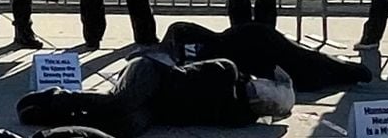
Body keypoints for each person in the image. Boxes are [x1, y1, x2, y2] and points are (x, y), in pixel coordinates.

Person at [16, 55, 295, 138]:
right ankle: (58, 98)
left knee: (124, 128)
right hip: (151, 74)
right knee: (121, 102)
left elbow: (229, 114)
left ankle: (56, 118)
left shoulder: (239, 116)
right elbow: (219, 86)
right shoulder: (229, 70)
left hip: (157, 108)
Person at [156, 21, 372, 92]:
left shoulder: (180, 38)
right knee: (305, 67)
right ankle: (349, 70)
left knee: (305, 68)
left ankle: (350, 71)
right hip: (250, 49)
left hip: (253, 45)